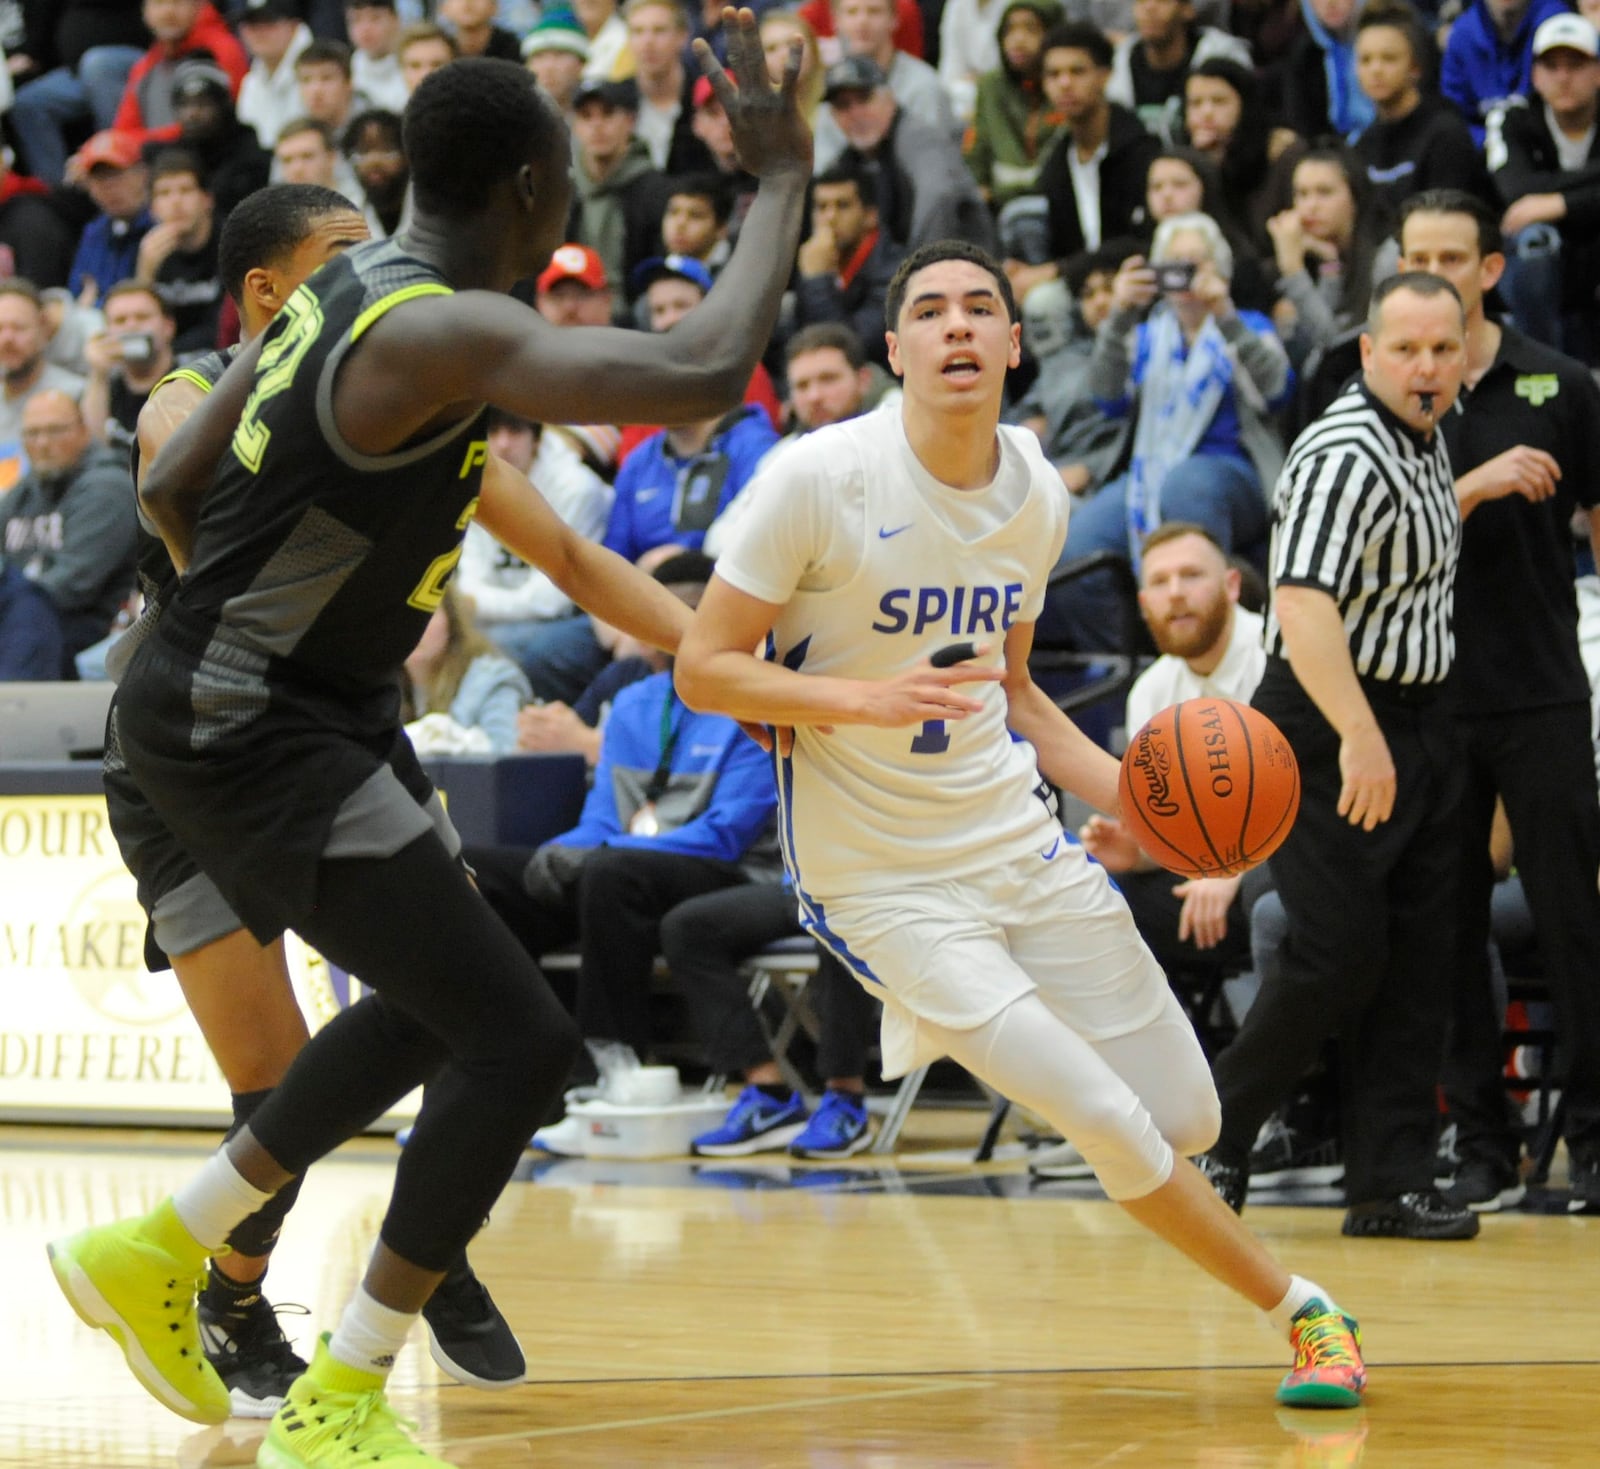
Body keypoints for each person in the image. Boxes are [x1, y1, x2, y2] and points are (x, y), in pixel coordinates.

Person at [48, 30, 813, 1467]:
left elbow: (177, 480)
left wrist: (274, 570)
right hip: (250, 717)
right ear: (532, 187)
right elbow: (708, 366)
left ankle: (173, 1242)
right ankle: (340, 1382)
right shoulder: (431, 326)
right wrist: (778, 180)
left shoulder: (348, 295)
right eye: (573, 181)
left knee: (427, 1005)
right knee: (520, 1041)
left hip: (281, 705)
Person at [675, 237, 1368, 1410]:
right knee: (1097, 1113)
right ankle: (1304, 1310)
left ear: (1010, 343)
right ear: (893, 349)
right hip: (882, 880)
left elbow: (1019, 694)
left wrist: (1148, 806)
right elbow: (702, 664)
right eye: (929, 311)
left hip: (1015, 843)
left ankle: (1032, 1054)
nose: (956, 327)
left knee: (1185, 1114)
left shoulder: (1037, 492)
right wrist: (858, 699)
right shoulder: (817, 477)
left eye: (979, 308)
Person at [1193, 271, 1480, 1241]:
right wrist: (1359, 736)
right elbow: (1305, 602)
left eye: (1442, 348)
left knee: (1414, 957)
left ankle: (1386, 1185)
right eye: (1406, 348)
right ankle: (1215, 1134)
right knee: (1335, 951)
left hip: (1420, 716)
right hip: (1330, 717)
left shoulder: (1426, 440)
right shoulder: (1343, 448)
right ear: (1367, 352)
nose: (1426, 367)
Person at [1395, 188, 1600, 1216]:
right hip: (1427, 702)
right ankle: (1480, 1144)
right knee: (1442, 929)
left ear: (1486, 270)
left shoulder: (1558, 382)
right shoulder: (1377, 402)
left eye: (1449, 256)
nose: (1430, 271)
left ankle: (1595, 1145)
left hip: (1543, 695)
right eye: (1411, 256)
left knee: (1576, 923)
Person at [1041, 211, 1291, 653]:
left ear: (1220, 268)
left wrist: (1224, 314)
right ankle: (1127, 667)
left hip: (1231, 470)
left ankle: (1200, 653)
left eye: (1197, 262)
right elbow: (1106, 397)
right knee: (1077, 547)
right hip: (1147, 469)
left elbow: (1276, 392)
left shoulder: (1247, 323)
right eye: (1174, 263)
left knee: (1187, 486)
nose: (1186, 274)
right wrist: (1118, 315)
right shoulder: (1147, 334)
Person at [1078, 521, 1269, 983]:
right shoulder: (1150, 690)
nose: (1176, 593)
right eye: (1160, 583)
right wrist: (1140, 852)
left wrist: (1233, 871)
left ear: (1231, 586)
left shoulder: (1276, 653)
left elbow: (1311, 800)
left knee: (1270, 902)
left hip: (1286, 863)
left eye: (1192, 575)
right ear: (1144, 605)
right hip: (1207, 875)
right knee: (1096, 901)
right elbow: (1182, 828)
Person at [1488, 13, 1600, 360]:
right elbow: (1517, 190)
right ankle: (1542, 373)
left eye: (1576, 65)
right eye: (1551, 66)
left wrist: (1560, 204)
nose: (1563, 77)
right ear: (1535, 75)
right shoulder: (1511, 119)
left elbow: (1534, 195)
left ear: (1598, 72)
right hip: (1537, 265)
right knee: (1536, 239)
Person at [0, 390, 138, 670]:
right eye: (32, 433)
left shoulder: (107, 489)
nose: (42, 443)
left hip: (84, 632)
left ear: (84, 432)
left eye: (55, 431)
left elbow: (71, 587)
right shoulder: (26, 491)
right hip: (22, 625)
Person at [822, 56, 995, 253]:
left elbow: (939, 196)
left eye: (864, 99)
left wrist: (918, 271)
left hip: (963, 266)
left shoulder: (918, 138)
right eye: (842, 105)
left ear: (889, 98)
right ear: (833, 116)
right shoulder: (849, 160)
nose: (855, 113)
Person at [1352, 0, 1488, 242]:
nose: (1376, 70)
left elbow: (1448, 224)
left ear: (1415, 67)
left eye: (1389, 58)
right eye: (1365, 60)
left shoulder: (1446, 134)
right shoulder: (1362, 144)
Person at [791, 157, 904, 365]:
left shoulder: (895, 272)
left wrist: (817, 281)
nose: (830, 217)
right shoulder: (818, 256)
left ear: (870, 216)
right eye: (821, 207)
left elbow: (852, 349)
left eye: (842, 206)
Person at [961, 0, 1065, 209]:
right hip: (996, 206)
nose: (1017, 40)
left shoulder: (1064, 84)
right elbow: (977, 150)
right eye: (1009, 30)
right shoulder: (991, 86)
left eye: (1031, 29)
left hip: (1053, 203)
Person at [402, 586, 532, 754]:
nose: (412, 627)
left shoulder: (493, 680)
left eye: (426, 613)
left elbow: (505, 758)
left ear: (452, 621)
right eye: (399, 615)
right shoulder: (373, 682)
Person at [1105, 0, 1250, 144]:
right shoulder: (1118, 59)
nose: (1150, 7)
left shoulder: (1222, 53)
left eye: (1162, 1)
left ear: (1187, 9)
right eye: (1141, 1)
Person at [1442, 0, 1570, 144]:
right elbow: (1454, 118)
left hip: (1548, 150)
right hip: (1481, 155)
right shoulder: (1461, 36)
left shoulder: (1557, 23)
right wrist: (1490, 143)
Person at [0, 280, 87, 493]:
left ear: (44, 329)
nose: (7, 339)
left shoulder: (76, 394)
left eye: (19, 328)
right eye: (0, 328)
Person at [82, 282, 178, 454]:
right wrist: (98, 375)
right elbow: (95, 446)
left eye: (142, 317)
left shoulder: (193, 378)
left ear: (168, 327)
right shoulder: (104, 385)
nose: (131, 326)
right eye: (120, 320)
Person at [66, 132, 155, 305]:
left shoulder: (162, 226)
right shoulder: (93, 233)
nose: (109, 187)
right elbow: (78, 295)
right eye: (98, 178)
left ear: (142, 174)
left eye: (116, 175)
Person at [236, 0, 317, 149]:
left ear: (293, 25)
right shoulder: (251, 82)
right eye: (251, 25)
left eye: (269, 23)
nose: (259, 33)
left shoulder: (318, 73)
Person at [523, 4, 594, 112]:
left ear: (581, 64)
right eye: (539, 56)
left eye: (560, 54)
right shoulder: (516, 116)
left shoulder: (598, 116)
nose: (548, 67)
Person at [347, 0, 411, 113]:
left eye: (375, 18)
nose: (365, 28)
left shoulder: (415, 64)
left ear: (396, 20)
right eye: (356, 20)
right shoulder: (349, 69)